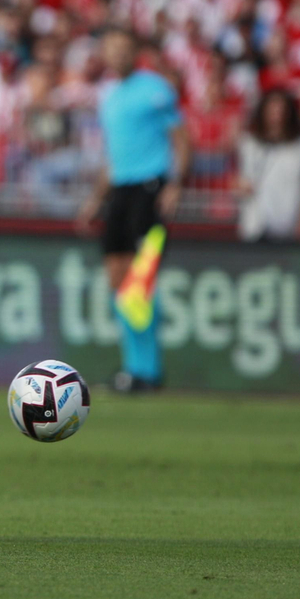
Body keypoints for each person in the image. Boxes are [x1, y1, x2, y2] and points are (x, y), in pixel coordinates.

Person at [77, 28, 188, 393]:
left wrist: (175, 184)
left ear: (135, 51)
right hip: (120, 192)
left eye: (123, 48)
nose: (117, 55)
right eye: (111, 48)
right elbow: (113, 155)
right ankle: (132, 367)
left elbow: (181, 138)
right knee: (117, 279)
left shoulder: (155, 89)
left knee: (141, 281)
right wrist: (97, 198)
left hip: (149, 188)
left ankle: (148, 370)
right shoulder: (109, 96)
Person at [237, 88, 300, 241]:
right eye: (272, 109)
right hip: (257, 227)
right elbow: (239, 179)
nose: (277, 115)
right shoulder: (249, 144)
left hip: (291, 227)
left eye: (281, 110)